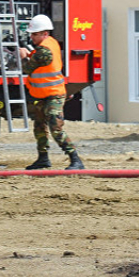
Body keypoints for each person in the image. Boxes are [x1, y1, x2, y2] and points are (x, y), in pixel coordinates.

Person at [18, 14, 84, 171]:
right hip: (44, 95)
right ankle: (43, 159)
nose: (32, 37)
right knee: (39, 127)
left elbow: (27, 68)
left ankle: (75, 159)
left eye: (35, 34)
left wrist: (22, 57)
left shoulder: (44, 50)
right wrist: (30, 55)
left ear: (45, 33)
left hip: (53, 95)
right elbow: (39, 60)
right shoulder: (48, 44)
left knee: (55, 127)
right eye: (32, 34)